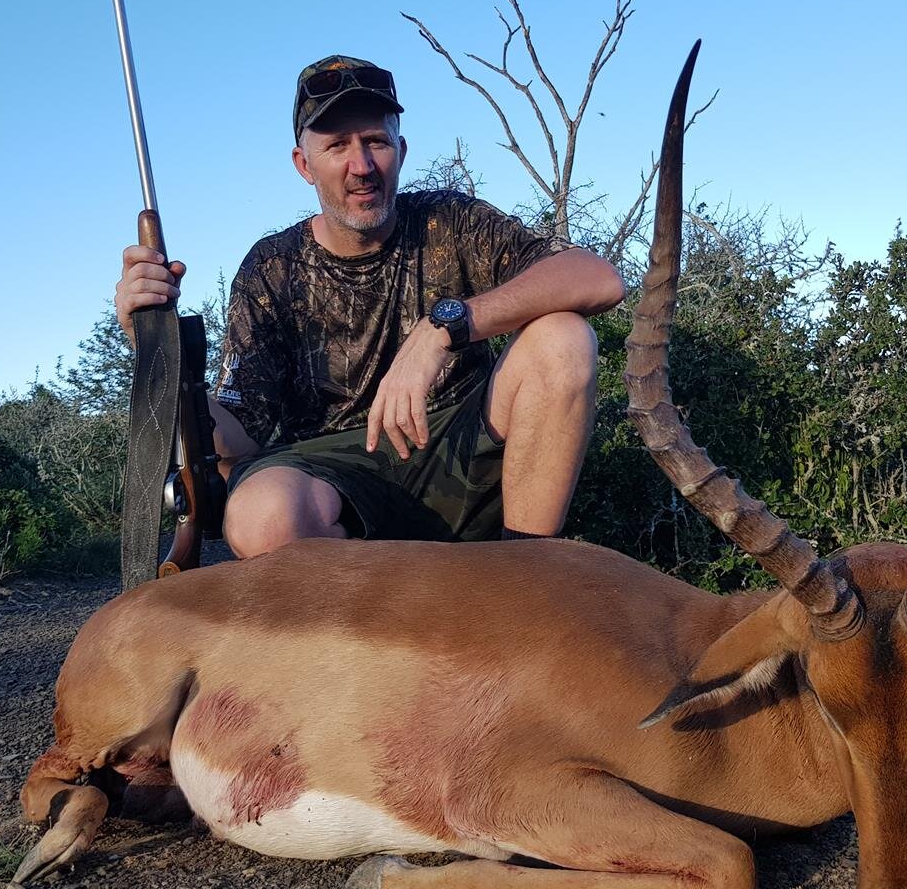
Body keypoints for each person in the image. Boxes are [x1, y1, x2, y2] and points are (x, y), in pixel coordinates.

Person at [114, 55, 625, 556]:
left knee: (562, 338)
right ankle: (373, 622)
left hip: (459, 449)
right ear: (304, 165)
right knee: (265, 515)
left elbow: (598, 278)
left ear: (400, 150)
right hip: (329, 471)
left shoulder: (451, 220)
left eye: (375, 141)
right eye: (337, 146)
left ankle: (526, 581)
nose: (361, 167)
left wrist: (443, 329)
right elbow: (237, 439)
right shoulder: (272, 267)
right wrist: (156, 352)